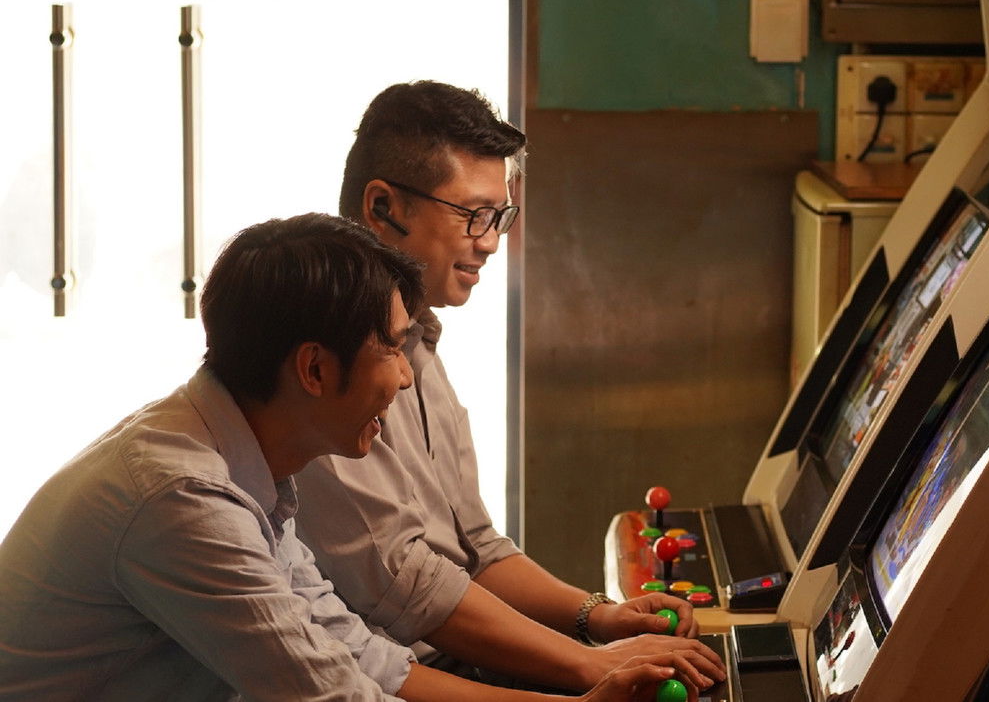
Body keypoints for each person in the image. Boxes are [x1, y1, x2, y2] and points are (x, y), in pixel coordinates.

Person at [0, 213, 704, 702]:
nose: (403, 377)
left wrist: (586, 680)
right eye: (392, 349)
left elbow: (363, 658)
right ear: (313, 368)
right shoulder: (183, 498)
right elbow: (329, 692)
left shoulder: (252, 465)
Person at [293, 81, 726, 694]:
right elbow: (406, 588)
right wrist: (591, 663)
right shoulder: (327, 368)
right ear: (382, 206)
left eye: (500, 216)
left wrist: (600, 617)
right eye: (473, 215)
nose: (492, 241)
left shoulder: (418, 340)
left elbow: (477, 549)